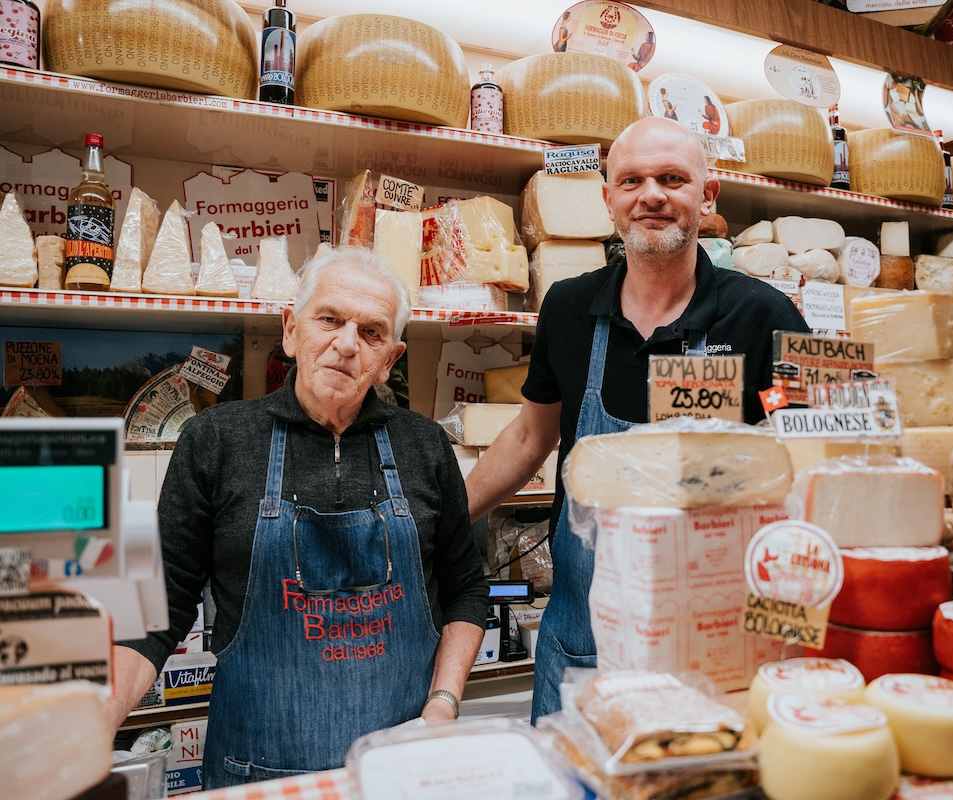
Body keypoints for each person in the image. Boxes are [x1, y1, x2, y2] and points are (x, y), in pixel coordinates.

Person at [465, 117, 810, 722]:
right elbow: (529, 436)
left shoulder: (764, 315)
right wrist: (437, 519)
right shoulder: (568, 308)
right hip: (580, 646)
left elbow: (812, 459)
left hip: (713, 653)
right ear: (609, 200)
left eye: (672, 178)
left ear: (707, 196)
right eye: (632, 180)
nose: (651, 194)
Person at [107, 247, 488, 788]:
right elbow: (157, 605)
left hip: (402, 762)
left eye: (372, 332)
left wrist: (444, 703)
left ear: (391, 359)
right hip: (256, 771)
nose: (347, 343)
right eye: (329, 319)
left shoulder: (425, 446)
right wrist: (97, 717)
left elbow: (466, 589)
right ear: (291, 330)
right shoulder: (215, 440)